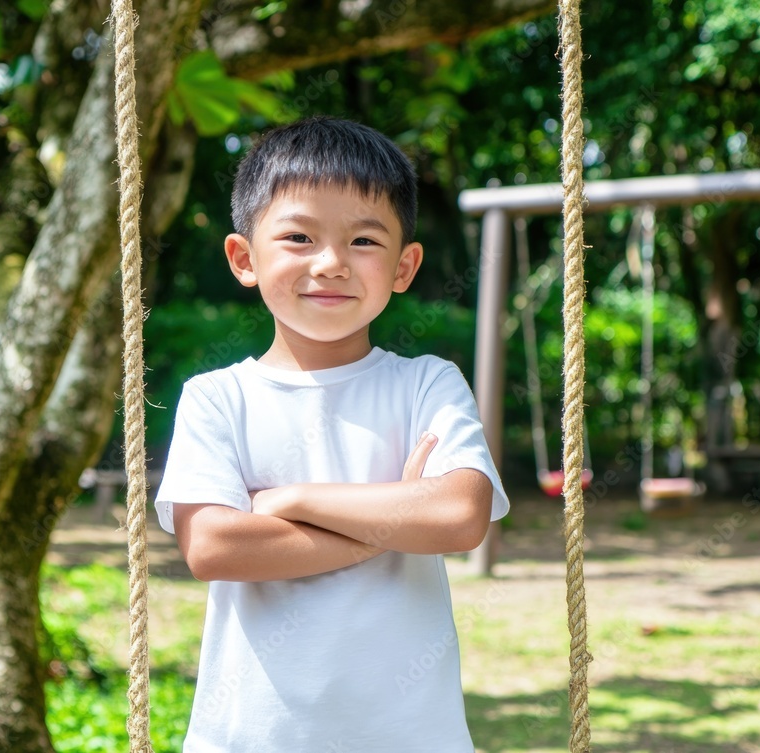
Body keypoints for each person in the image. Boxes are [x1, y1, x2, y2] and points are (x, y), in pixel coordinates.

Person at [155, 116, 509, 752]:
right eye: (298, 236)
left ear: (404, 267)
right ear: (244, 258)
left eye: (365, 242)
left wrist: (289, 503)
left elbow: (458, 515)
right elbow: (214, 547)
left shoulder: (427, 384)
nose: (331, 263)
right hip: (252, 736)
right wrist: (389, 521)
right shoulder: (217, 399)